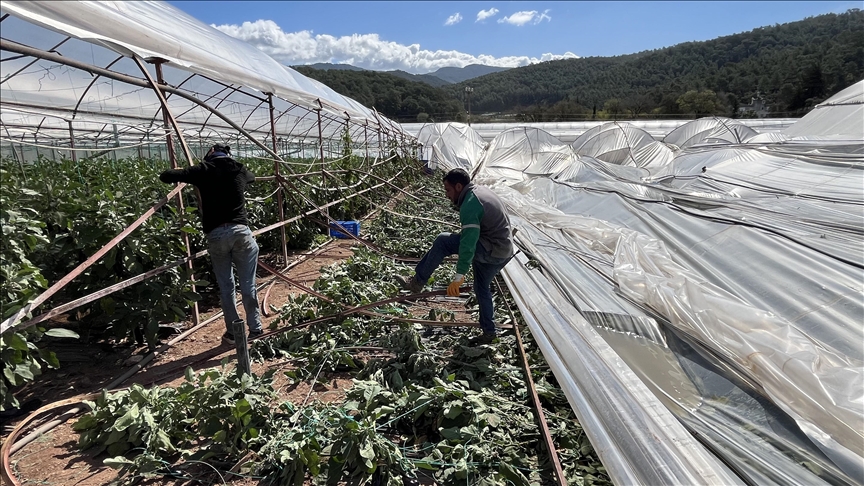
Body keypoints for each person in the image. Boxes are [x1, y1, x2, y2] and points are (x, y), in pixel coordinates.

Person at [159, 143, 263, 345]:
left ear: (211, 154)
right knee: (248, 286)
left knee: (226, 287)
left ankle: (234, 333)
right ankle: (256, 330)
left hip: (216, 235)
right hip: (241, 233)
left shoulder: (201, 171)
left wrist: (186, 172)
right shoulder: (238, 169)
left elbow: (166, 176)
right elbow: (252, 178)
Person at [397, 168, 515, 345]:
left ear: (459, 186)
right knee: (481, 287)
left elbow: (468, 243)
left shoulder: (470, 203)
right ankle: (489, 332)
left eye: (447, 190)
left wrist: (459, 275)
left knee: (443, 241)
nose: (446, 195)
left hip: (491, 249)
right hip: (504, 252)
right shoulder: (480, 192)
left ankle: (417, 282)